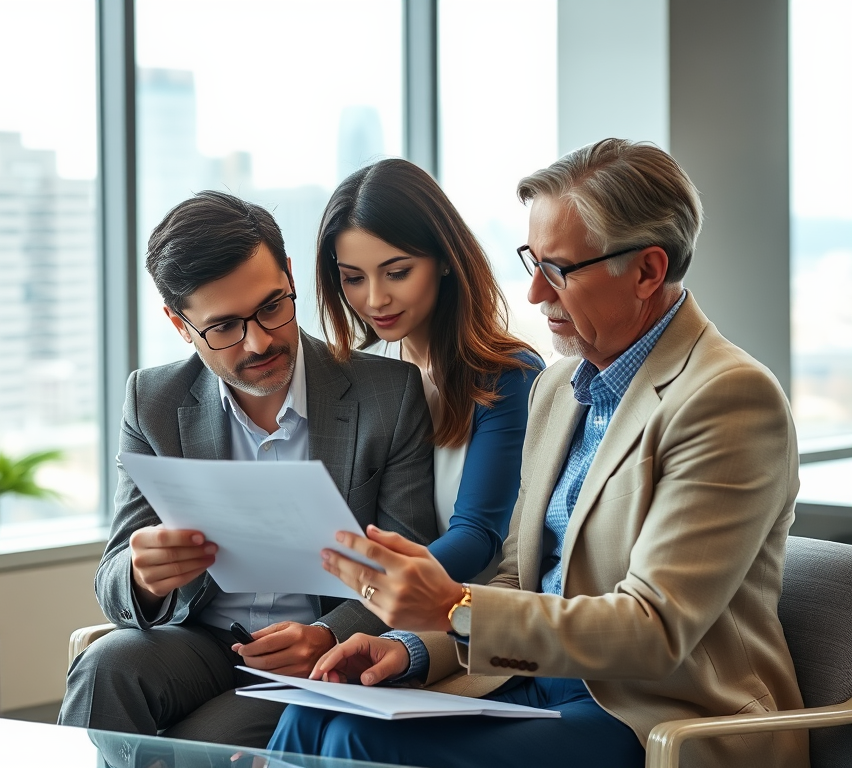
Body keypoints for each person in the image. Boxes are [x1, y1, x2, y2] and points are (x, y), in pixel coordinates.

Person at [268, 139, 809, 768]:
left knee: (359, 740)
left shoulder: (729, 400)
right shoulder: (561, 387)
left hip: (653, 712)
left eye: (558, 269)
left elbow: (654, 632)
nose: (531, 294)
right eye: (532, 260)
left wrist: (450, 605)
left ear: (647, 271)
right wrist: (414, 648)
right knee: (315, 708)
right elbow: (517, 576)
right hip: (531, 679)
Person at [58, 191, 439, 748]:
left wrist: (328, 634)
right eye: (224, 327)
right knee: (105, 666)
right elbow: (114, 577)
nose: (259, 340)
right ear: (179, 323)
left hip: (323, 652)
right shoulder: (154, 400)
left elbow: (413, 559)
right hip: (202, 639)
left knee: (207, 739)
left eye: (271, 307)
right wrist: (143, 577)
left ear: (288, 274)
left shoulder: (388, 395)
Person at [317, 158, 542, 583]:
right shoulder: (358, 371)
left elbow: (476, 537)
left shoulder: (506, 378)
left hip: (465, 625)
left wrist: (368, 589)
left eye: (397, 273)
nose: (376, 299)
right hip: (372, 616)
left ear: (444, 259)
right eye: (353, 278)